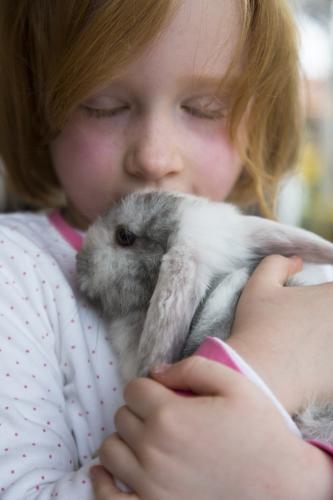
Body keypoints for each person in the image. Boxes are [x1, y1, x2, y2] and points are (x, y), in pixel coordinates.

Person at [0, 0, 332, 498]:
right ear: (36, 103)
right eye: (102, 105)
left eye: (206, 109)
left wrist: (309, 480)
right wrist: (261, 366)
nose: (154, 158)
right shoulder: (16, 272)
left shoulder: (292, 284)